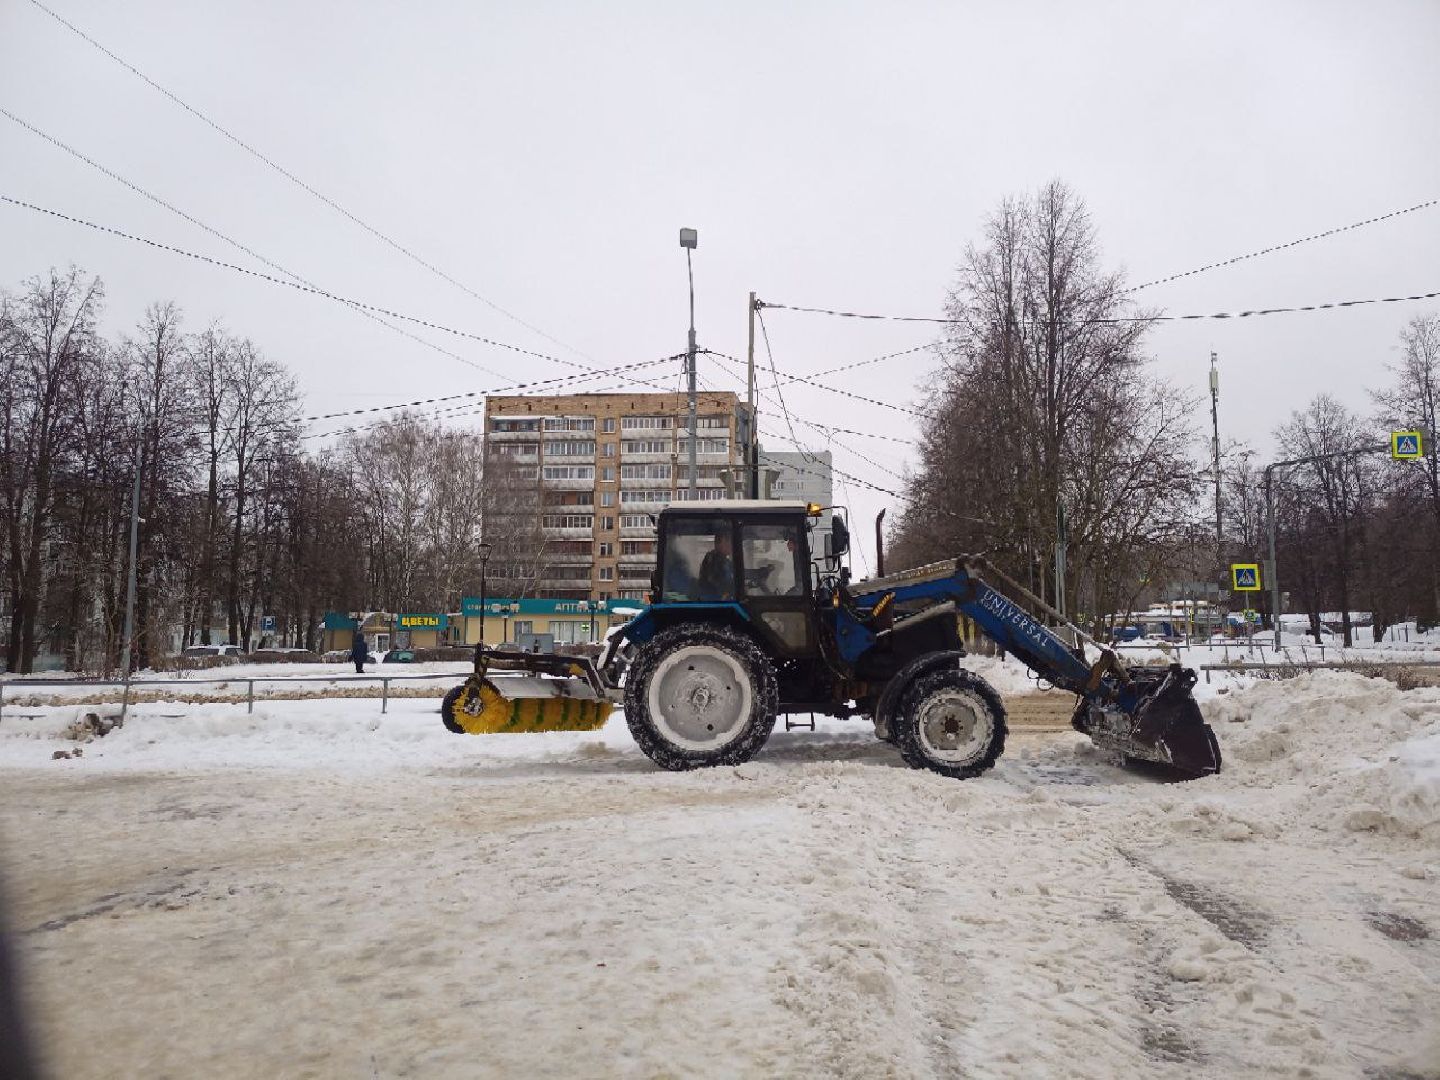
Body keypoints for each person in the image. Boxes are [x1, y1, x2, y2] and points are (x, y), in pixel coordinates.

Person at [697, 530, 735, 601]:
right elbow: (717, 582)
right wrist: (733, 589)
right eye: (730, 542)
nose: (731, 545)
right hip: (714, 604)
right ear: (722, 541)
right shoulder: (713, 559)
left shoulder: (724, 561)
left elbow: (737, 571)